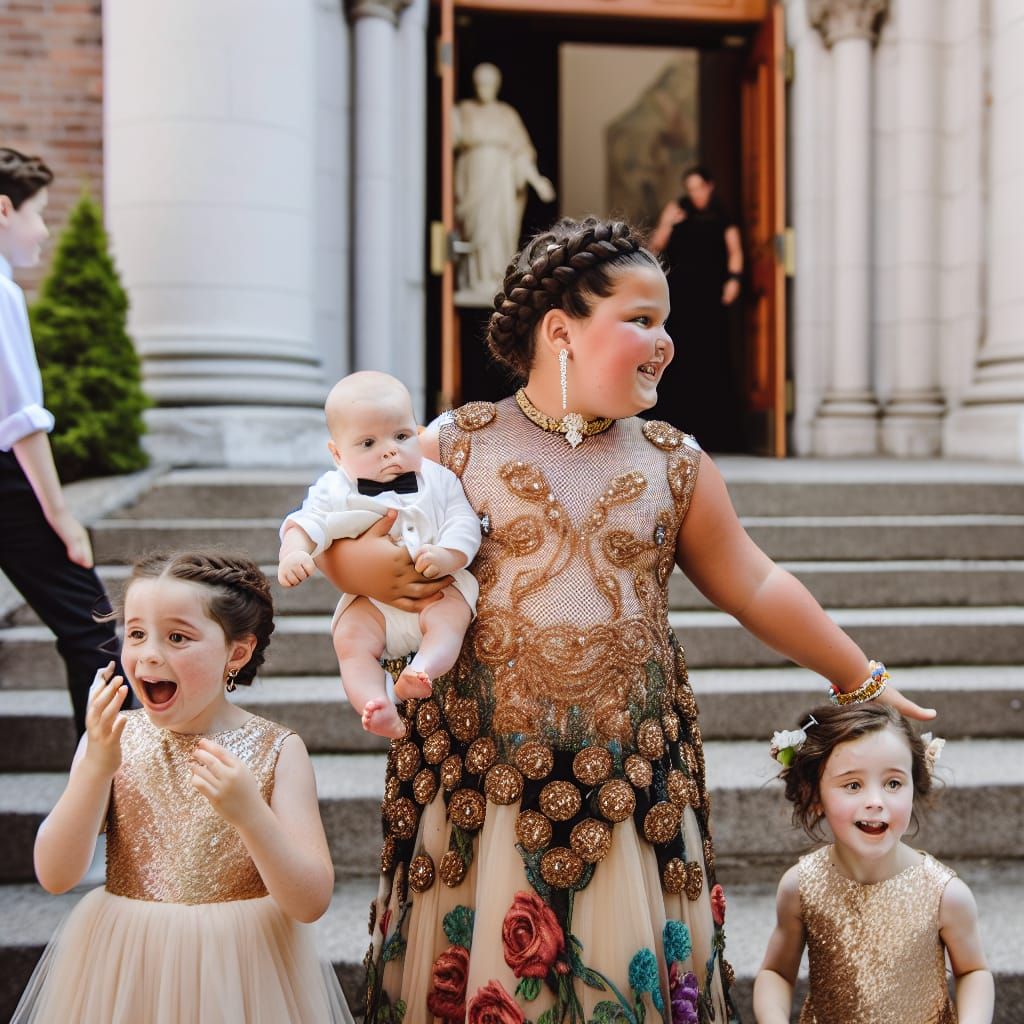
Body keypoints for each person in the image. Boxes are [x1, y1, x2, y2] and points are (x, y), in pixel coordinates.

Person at [321, 217, 935, 1024]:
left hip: (629, 771)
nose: (666, 340)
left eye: (666, 322)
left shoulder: (674, 461)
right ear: (560, 332)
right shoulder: (457, 443)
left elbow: (753, 581)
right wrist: (359, 567)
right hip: (485, 761)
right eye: (642, 320)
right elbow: (346, 524)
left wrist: (859, 673)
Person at [12, 551, 353, 1023]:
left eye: (177, 637)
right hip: (128, 966)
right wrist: (96, 765)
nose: (149, 653)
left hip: (237, 971)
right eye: (136, 633)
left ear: (237, 652)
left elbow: (311, 901)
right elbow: (55, 874)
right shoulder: (113, 739)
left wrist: (250, 814)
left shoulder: (279, 750)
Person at [754, 703, 993, 1024]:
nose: (876, 801)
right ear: (815, 796)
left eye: (893, 783)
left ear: (913, 786)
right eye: (853, 785)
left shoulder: (945, 895)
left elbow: (974, 970)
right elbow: (776, 972)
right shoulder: (800, 887)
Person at [278, 371, 480, 739]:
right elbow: (306, 522)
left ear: (418, 433)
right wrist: (294, 553)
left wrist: (450, 554)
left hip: (436, 587)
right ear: (337, 453)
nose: (389, 450)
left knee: (452, 616)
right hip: (370, 601)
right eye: (368, 443)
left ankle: (421, 671)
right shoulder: (333, 488)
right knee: (350, 640)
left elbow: (462, 519)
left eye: (401, 436)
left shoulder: (439, 478)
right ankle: (376, 703)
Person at [0, 146, 120, 738]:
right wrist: (62, 516)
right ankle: (108, 788)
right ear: (3, 209)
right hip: (10, 487)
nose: (44, 229)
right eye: (39, 212)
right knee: (94, 631)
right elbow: (22, 420)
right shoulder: (3, 293)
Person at [647, 165, 744, 452]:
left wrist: (734, 280)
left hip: (710, 298)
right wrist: (667, 222)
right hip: (680, 296)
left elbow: (735, 252)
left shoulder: (722, 217)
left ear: (710, 186)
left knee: (710, 360)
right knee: (678, 359)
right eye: (690, 189)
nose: (695, 194)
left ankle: (716, 435)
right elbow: (654, 248)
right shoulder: (678, 210)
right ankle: (673, 430)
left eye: (698, 187)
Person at [453, 62, 556, 306]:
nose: (484, 89)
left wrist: (537, 182)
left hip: (500, 181)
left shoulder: (506, 115)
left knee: (497, 231)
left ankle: (494, 278)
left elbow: (520, 153)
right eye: (480, 84)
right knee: (477, 230)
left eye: (488, 84)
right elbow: (451, 140)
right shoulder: (464, 111)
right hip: (473, 178)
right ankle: (475, 279)